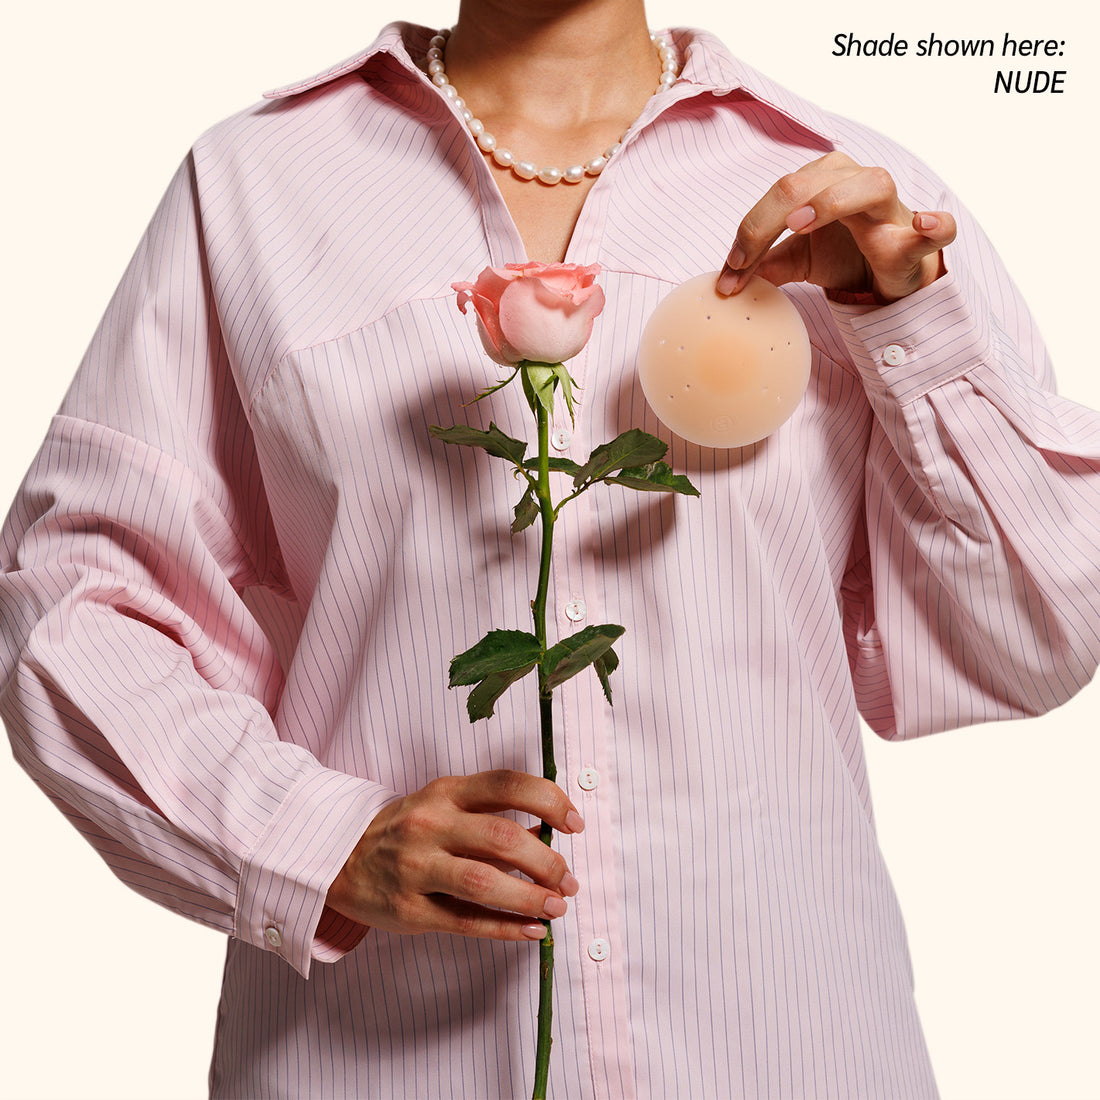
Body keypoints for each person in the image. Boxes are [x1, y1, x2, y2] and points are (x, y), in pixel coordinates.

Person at [2, 2, 1098, 1097]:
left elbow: (1033, 630)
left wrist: (903, 322)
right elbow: (70, 597)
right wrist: (311, 839)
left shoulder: (854, 190)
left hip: (781, 1051)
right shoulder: (252, 186)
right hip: (375, 1058)